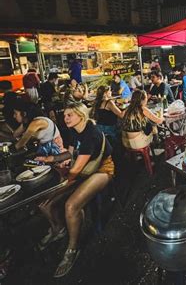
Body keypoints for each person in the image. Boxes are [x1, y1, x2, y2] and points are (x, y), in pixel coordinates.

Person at [34, 102, 114, 277]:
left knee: (71, 205)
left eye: (70, 115)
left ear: (81, 115)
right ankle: (58, 229)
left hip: (102, 169)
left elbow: (75, 171)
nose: (65, 118)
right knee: (44, 203)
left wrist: (62, 184)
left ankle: (72, 249)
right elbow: (70, 155)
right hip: (83, 169)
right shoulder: (73, 130)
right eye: (65, 115)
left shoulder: (90, 135)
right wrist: (50, 158)